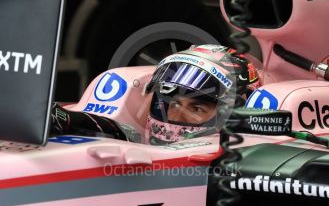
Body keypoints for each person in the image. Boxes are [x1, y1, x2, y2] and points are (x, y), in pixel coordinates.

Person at [50, 44, 260, 145]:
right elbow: (114, 129)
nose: (176, 117)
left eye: (196, 108)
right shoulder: (135, 138)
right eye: (174, 104)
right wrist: (64, 119)